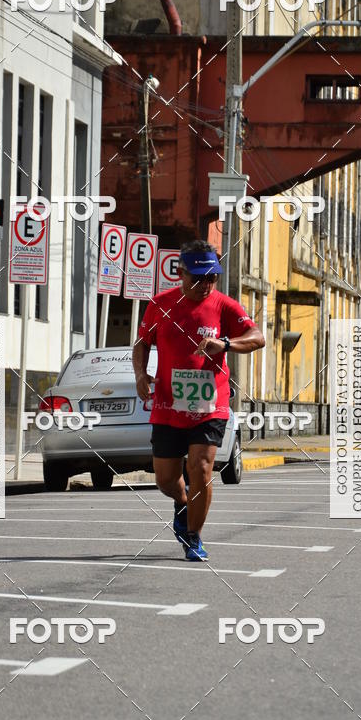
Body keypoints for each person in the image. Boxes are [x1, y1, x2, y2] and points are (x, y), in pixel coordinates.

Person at [132, 239, 265, 561]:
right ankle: (183, 503)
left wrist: (226, 344)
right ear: (180, 273)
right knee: (165, 479)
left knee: (202, 468)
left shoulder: (225, 306)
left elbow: (257, 337)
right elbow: (142, 343)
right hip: (168, 405)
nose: (206, 284)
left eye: (212, 278)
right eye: (199, 278)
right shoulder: (160, 304)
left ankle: (193, 536)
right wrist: (140, 374)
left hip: (210, 405)